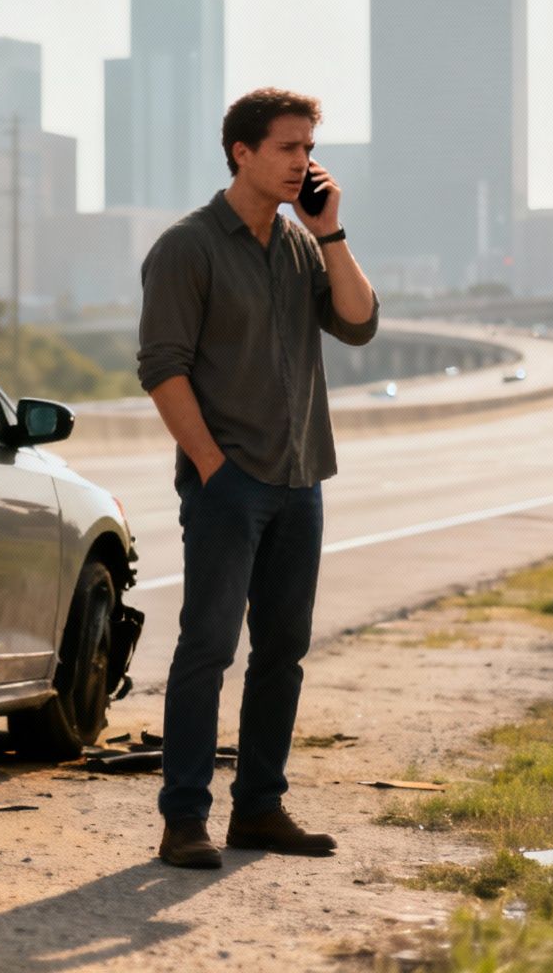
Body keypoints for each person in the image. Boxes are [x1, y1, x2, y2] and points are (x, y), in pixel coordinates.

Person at [135, 88, 379, 869]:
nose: (302, 161)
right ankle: (184, 820)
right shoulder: (188, 248)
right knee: (207, 648)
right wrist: (212, 467)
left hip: (301, 477)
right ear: (241, 152)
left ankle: (261, 809)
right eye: (287, 147)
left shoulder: (302, 245)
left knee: (284, 651)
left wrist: (330, 230)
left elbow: (360, 321)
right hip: (229, 484)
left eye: (309, 147)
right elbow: (162, 368)